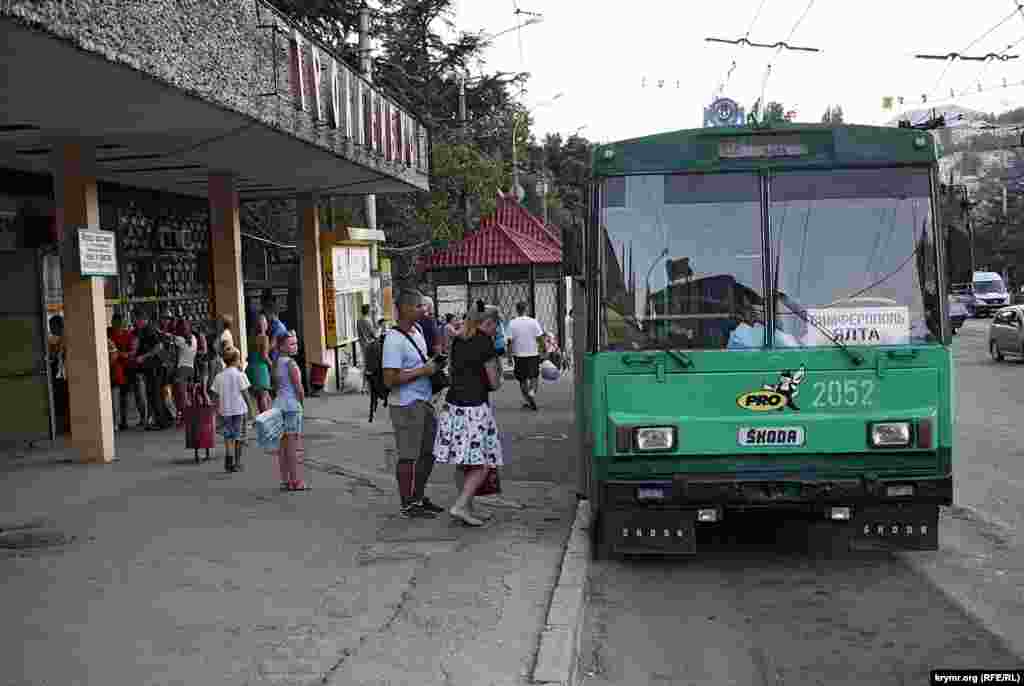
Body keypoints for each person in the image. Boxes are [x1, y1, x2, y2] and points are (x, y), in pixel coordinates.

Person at [433, 301, 503, 527]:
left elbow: (453, 371)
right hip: (475, 409)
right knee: (483, 463)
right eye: (496, 325)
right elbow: (494, 383)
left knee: (463, 462)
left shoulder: (458, 339)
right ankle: (461, 505)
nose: (497, 330)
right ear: (488, 322)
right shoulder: (485, 343)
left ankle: (468, 508)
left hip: (454, 407)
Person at [383, 289, 445, 518]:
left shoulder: (418, 330)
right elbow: (389, 379)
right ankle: (407, 503)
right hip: (405, 404)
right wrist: (423, 370)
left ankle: (418, 496)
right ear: (407, 308)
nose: (424, 310)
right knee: (409, 455)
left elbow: (420, 362)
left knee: (429, 452)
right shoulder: (394, 339)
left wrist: (433, 366)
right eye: (419, 306)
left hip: (424, 400)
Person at [273, 331, 307, 491]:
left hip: (278, 405)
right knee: (293, 446)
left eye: (296, 343)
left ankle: (285, 480)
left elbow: (276, 385)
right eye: (292, 344)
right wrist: (301, 403)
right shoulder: (291, 364)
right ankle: (296, 481)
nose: (295, 346)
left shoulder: (277, 362)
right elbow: (298, 388)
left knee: (283, 447)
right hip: (292, 406)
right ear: (281, 346)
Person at [211, 347, 251, 473]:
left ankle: (229, 461)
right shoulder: (240, 375)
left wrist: (216, 409)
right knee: (238, 437)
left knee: (228, 437)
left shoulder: (219, 377)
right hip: (239, 411)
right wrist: (251, 410)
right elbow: (246, 394)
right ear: (236, 360)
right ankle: (237, 463)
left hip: (225, 411)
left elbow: (215, 396)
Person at [135, 312, 174, 430]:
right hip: (154, 368)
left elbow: (159, 346)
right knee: (155, 395)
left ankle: (162, 422)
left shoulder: (149, 330)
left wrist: (144, 357)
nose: (136, 322)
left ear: (143, 319)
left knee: (155, 394)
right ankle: (163, 420)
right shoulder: (146, 330)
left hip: (156, 368)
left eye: (137, 320)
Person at [506, 302, 545, 411]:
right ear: (526, 309)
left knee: (522, 379)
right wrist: (544, 350)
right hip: (533, 354)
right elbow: (540, 338)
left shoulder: (512, 323)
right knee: (534, 377)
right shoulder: (533, 322)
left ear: (517, 310)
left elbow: (509, 342)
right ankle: (532, 393)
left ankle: (528, 400)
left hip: (519, 355)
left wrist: (509, 357)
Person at [111, 313, 145, 431]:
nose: (120, 324)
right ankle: (121, 421)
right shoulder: (110, 334)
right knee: (119, 396)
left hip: (129, 369)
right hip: (117, 370)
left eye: (120, 322)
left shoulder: (128, 335)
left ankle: (124, 421)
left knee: (125, 396)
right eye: (117, 322)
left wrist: (120, 354)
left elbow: (133, 351)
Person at [172, 319, 198, 428]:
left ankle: (185, 419)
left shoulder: (179, 340)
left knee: (181, 396)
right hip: (191, 369)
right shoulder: (194, 338)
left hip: (181, 369)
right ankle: (191, 417)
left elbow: (176, 356)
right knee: (190, 395)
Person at [247, 314, 273, 414]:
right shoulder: (264, 338)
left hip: (251, 368)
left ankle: (264, 416)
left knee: (260, 396)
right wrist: (273, 366)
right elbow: (264, 356)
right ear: (263, 325)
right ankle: (266, 418)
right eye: (265, 322)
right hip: (261, 368)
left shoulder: (251, 337)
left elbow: (248, 356)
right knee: (263, 395)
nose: (267, 324)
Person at [48, 314, 69, 434]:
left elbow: (58, 357)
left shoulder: (64, 340)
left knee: (63, 401)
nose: (51, 330)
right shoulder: (57, 340)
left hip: (64, 376)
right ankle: (63, 426)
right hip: (60, 375)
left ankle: (64, 426)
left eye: (52, 327)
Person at [357, 304, 376, 393]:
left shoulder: (359, 320)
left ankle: (364, 386)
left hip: (362, 345)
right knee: (370, 366)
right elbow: (373, 334)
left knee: (366, 365)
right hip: (370, 345)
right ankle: (367, 387)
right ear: (368, 311)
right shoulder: (367, 321)